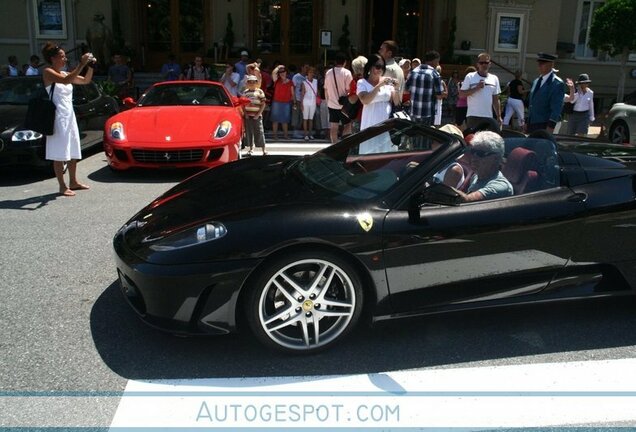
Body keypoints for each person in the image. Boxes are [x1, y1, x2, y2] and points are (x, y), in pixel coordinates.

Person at [41, 42, 95, 197]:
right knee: (59, 152)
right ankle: (62, 185)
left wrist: (90, 66)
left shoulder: (65, 74)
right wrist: (81, 63)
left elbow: (85, 81)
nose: (65, 59)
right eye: (62, 56)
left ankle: (73, 181)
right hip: (57, 117)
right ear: (52, 58)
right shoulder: (48, 72)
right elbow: (65, 81)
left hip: (69, 115)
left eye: (65, 56)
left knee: (73, 149)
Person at [356, 53, 400, 154]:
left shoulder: (387, 82)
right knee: (370, 154)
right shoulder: (362, 82)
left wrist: (397, 88)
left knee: (387, 155)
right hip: (370, 124)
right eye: (378, 66)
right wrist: (379, 86)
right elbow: (365, 100)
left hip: (387, 126)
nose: (380, 69)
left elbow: (396, 102)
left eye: (382, 67)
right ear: (370, 67)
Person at [453, 130, 513, 202]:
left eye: (480, 153)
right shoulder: (476, 176)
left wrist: (440, 188)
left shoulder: (500, 186)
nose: (473, 158)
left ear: (496, 158)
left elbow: (466, 200)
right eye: (473, 151)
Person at [459, 52, 502, 131]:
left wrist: (499, 116)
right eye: (481, 63)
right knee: (473, 140)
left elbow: (495, 99)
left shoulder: (494, 78)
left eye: (486, 62)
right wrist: (476, 88)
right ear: (477, 64)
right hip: (473, 115)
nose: (484, 65)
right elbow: (461, 95)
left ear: (490, 64)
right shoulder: (470, 76)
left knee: (486, 141)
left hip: (488, 116)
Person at [527, 52, 565, 134]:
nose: (539, 65)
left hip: (544, 125)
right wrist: (527, 121)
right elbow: (532, 103)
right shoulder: (536, 81)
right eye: (539, 63)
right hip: (532, 124)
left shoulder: (556, 83)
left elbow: (556, 108)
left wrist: (550, 127)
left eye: (543, 63)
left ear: (551, 65)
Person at [405, 50, 444, 126]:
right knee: (425, 136)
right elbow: (439, 95)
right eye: (437, 62)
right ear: (434, 61)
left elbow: (406, 90)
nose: (438, 64)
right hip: (427, 113)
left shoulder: (413, 72)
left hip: (413, 111)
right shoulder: (435, 74)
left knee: (414, 135)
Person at [324, 52, 353, 143]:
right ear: (344, 62)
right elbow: (350, 89)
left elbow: (326, 88)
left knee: (333, 126)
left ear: (335, 61)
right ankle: (345, 144)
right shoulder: (347, 73)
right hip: (344, 105)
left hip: (332, 104)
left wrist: (327, 101)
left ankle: (334, 145)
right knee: (347, 125)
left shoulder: (328, 72)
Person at [242, 75, 267, 155]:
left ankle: (264, 150)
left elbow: (263, 104)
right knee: (249, 132)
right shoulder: (245, 92)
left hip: (257, 116)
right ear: (247, 83)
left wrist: (258, 114)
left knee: (260, 132)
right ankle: (251, 149)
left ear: (256, 83)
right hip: (248, 116)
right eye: (250, 82)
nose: (252, 83)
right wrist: (245, 114)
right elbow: (242, 104)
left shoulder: (260, 92)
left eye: (254, 82)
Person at [270, 64, 294, 140]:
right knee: (275, 119)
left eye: (284, 71)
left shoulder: (290, 82)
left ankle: (286, 135)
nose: (282, 73)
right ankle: (275, 136)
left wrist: (295, 102)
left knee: (285, 120)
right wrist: (277, 67)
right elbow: (273, 74)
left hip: (287, 102)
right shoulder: (276, 80)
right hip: (276, 102)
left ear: (286, 72)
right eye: (280, 72)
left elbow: (292, 93)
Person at [348, 55, 368, 133]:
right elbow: (352, 100)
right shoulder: (356, 81)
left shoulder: (355, 81)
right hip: (360, 116)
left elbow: (352, 100)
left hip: (363, 116)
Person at [300, 66, 318, 141]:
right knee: (305, 119)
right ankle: (305, 135)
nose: (311, 73)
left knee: (311, 119)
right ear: (307, 74)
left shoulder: (316, 81)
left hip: (313, 102)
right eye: (310, 72)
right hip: (306, 102)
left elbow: (317, 91)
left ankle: (310, 134)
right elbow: (302, 93)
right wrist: (301, 104)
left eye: (312, 72)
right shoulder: (304, 82)